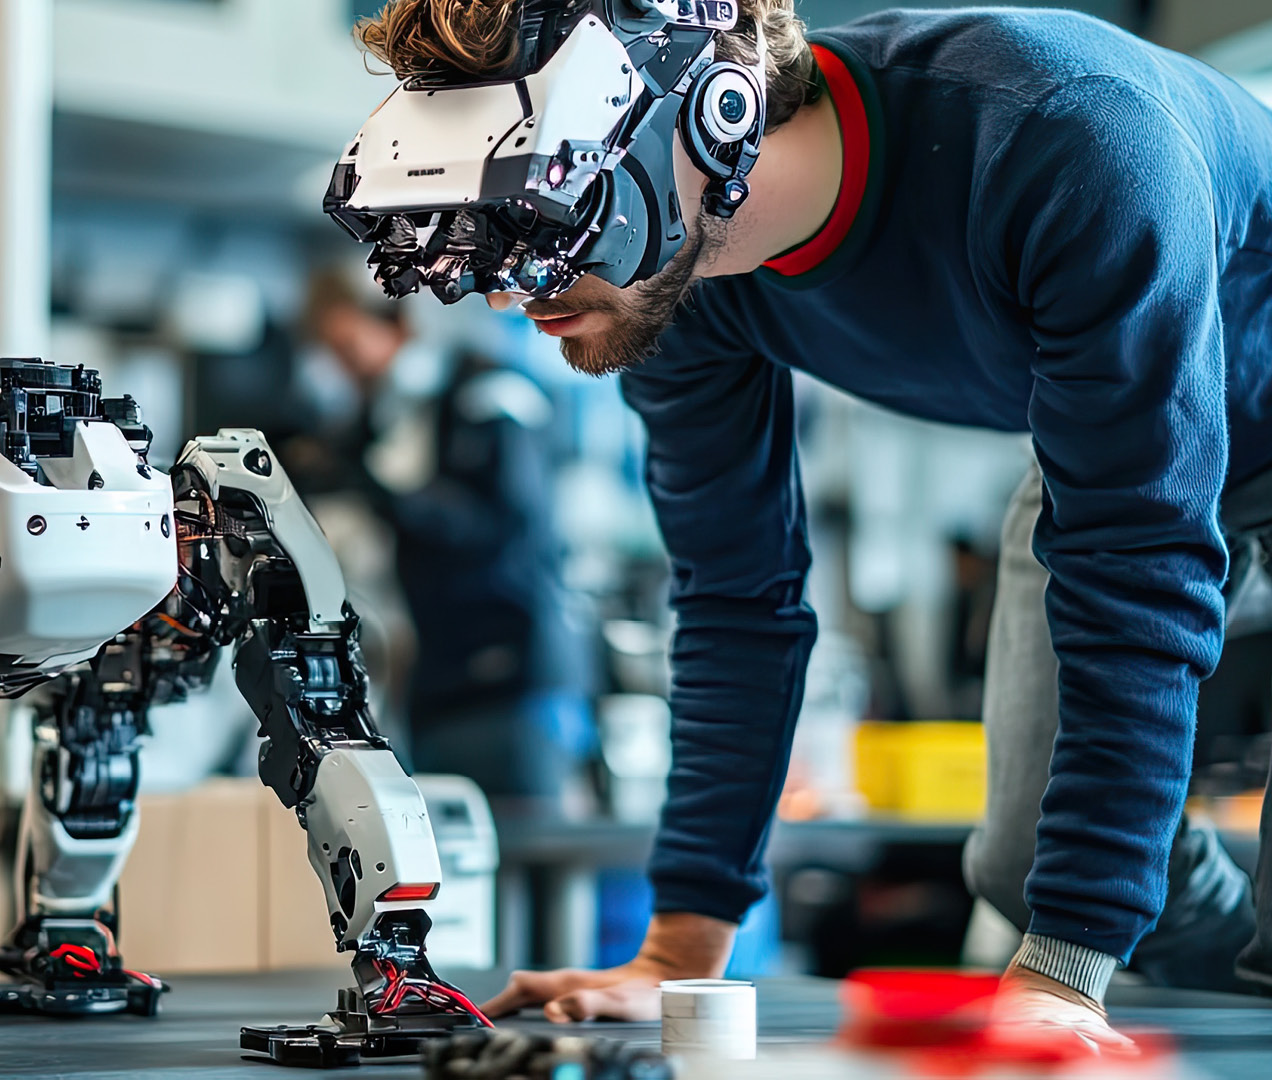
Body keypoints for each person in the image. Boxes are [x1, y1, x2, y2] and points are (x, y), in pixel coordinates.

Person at [351, 0, 1272, 1053]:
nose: (519, 290)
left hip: (1163, 460)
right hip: (1125, 457)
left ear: (713, 116)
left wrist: (1063, 971)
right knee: (1025, 864)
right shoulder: (674, 264)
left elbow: (1139, 557)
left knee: (1091, 925)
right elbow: (737, 596)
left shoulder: (1066, 133)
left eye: (547, 213)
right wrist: (680, 959)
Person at [298, 270, 597, 816]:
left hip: (509, 679)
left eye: (349, 346)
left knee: (520, 866)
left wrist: (377, 491)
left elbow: (496, 527)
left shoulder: (492, 393)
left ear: (397, 323)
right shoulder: (383, 416)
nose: (346, 368)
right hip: (436, 678)